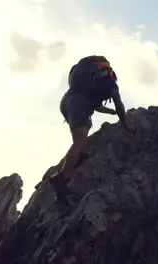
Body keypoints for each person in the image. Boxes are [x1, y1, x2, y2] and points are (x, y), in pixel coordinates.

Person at [50, 55, 133, 203]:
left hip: (67, 101)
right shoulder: (111, 85)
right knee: (80, 141)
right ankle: (61, 179)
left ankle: (74, 161)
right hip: (78, 105)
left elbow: (94, 104)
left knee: (83, 132)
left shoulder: (90, 86)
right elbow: (119, 105)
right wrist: (126, 123)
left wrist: (110, 112)